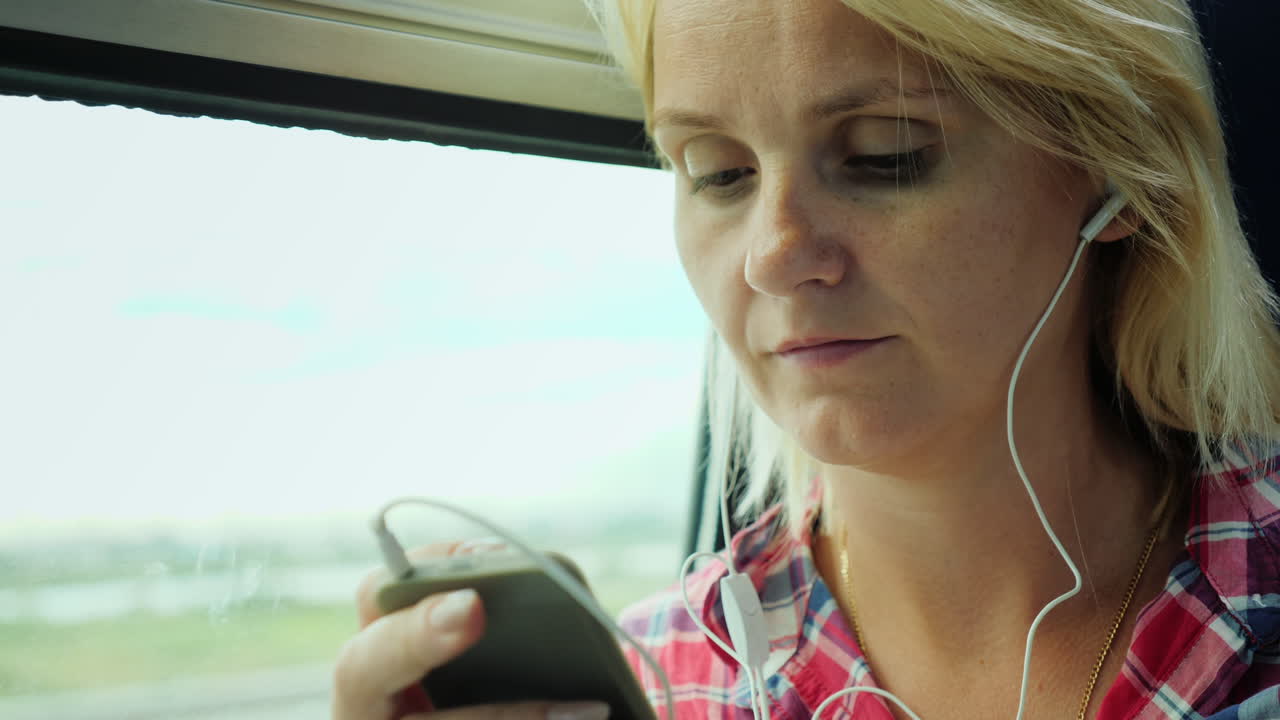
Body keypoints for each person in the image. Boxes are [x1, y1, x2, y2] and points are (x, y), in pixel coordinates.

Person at [330, 0, 1280, 718]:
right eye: (719, 174)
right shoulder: (666, 683)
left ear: (1113, 169)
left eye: (886, 154)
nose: (773, 255)